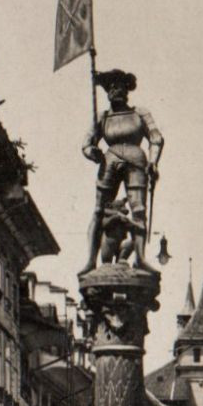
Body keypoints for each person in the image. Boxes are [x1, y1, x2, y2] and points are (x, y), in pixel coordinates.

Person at [80, 69, 164, 272]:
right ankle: (91, 260)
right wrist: (93, 152)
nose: (114, 90)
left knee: (139, 210)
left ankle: (140, 258)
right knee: (99, 210)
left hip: (136, 159)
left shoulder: (139, 113)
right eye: (110, 87)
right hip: (109, 160)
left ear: (127, 90)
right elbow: (86, 143)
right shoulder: (102, 117)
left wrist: (153, 161)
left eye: (119, 86)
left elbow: (156, 137)